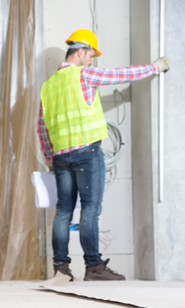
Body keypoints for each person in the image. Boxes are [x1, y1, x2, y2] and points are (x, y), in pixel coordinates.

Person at [38, 29, 169, 281]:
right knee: (90, 209)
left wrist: (49, 157)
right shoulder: (83, 74)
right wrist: (154, 68)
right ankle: (94, 267)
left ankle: (61, 269)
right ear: (80, 52)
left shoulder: (48, 85)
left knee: (64, 210)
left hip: (60, 156)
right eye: (91, 55)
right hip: (87, 151)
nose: (92, 61)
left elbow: (41, 126)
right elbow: (120, 75)